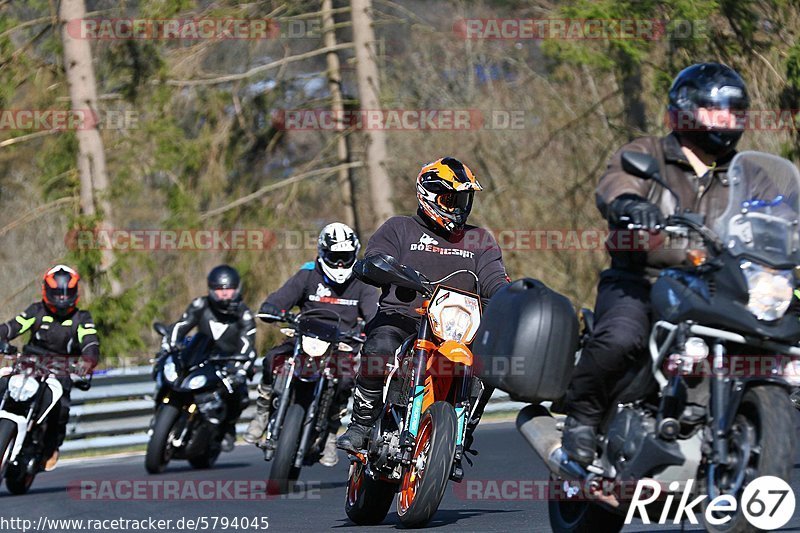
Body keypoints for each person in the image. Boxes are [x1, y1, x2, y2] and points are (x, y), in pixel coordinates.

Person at [562, 62, 751, 466]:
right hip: (639, 281)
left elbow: (773, 217)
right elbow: (617, 183)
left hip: (713, 289)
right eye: (716, 110)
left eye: (734, 112)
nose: (727, 120)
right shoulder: (646, 152)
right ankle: (582, 417)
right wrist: (629, 204)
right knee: (620, 338)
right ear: (686, 110)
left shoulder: (742, 174)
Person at [336, 157, 510, 455]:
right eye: (450, 199)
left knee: (492, 359)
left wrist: (511, 296)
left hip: (459, 329)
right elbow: (375, 258)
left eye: (464, 200)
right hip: (403, 319)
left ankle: (464, 426)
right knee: (379, 346)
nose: (459, 207)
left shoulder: (479, 239)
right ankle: (362, 424)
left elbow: (495, 278)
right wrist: (381, 268)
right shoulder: (399, 228)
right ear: (428, 196)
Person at [245, 222, 379, 467]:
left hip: (342, 345)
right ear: (322, 252)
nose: (339, 264)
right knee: (271, 359)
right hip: (302, 338)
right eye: (334, 257)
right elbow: (281, 298)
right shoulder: (308, 273)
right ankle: (263, 412)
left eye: (345, 257)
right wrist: (272, 308)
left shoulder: (363, 281)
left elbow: (373, 315)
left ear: (354, 254)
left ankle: (329, 433)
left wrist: (374, 331)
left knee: (347, 379)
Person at [0, 265, 99, 471]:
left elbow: (90, 343)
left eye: (66, 293)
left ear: (75, 293)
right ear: (47, 290)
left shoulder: (82, 319)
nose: (62, 299)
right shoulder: (35, 311)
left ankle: (50, 447)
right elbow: (12, 326)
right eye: (57, 293)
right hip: (28, 363)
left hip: (61, 370)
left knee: (60, 406)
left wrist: (86, 364)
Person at [161, 264, 256, 452]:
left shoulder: (244, 315)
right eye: (220, 289)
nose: (224, 294)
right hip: (199, 358)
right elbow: (181, 326)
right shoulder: (200, 305)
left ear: (237, 289)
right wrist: (169, 344)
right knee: (168, 371)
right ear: (211, 289)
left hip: (228, 365)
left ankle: (227, 428)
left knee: (239, 394)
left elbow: (247, 344)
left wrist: (240, 366)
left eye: (228, 289)